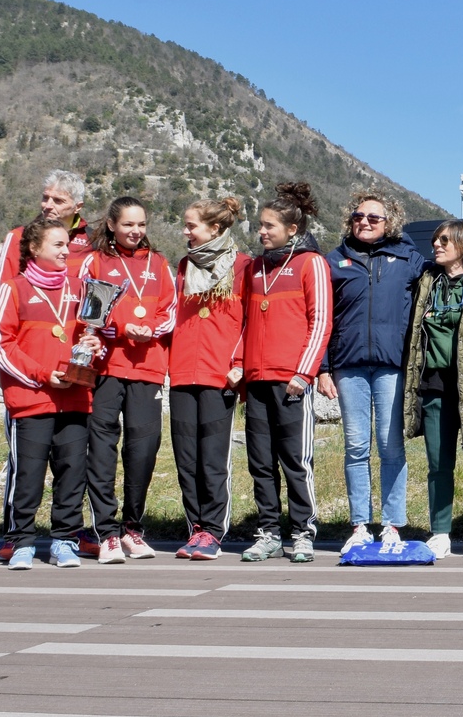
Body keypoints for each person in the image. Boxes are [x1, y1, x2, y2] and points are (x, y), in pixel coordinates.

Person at [0, 169, 91, 563]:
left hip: (74, 397)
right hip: (32, 397)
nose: (67, 252)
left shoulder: (80, 290)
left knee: (72, 472)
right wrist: (40, 374)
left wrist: (92, 345)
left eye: (68, 244)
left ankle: (65, 539)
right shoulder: (14, 289)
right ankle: (21, 541)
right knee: (28, 474)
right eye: (58, 245)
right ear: (33, 248)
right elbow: (1, 342)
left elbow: (90, 335)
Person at [321, 191, 425, 551]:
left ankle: (392, 524)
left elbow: (442, 280)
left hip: (391, 364)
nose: (363, 222)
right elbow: (323, 317)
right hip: (348, 364)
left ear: (389, 223)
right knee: (356, 446)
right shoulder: (333, 260)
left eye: (373, 217)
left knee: (390, 445)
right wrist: (323, 368)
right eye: (358, 216)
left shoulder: (409, 259)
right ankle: (360, 525)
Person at [76, 197, 176, 562]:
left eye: (141, 224)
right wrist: (121, 326)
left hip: (148, 366)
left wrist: (149, 328)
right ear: (112, 225)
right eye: (128, 224)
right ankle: (106, 532)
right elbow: (87, 312)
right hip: (106, 367)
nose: (136, 231)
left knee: (143, 450)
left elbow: (170, 311)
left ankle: (133, 529)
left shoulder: (159, 263)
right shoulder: (96, 261)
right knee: (101, 449)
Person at [240, 183, 331, 563]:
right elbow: (244, 322)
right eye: (260, 225)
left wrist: (304, 373)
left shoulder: (311, 263)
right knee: (260, 462)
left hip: (291, 380)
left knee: (295, 460)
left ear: (291, 229)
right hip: (256, 380)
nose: (261, 231)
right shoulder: (254, 267)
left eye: (269, 226)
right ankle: (268, 533)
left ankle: (303, 532)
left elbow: (320, 321)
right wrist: (239, 366)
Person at [402, 220, 463, 559]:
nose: (437, 245)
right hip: (434, 384)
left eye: (445, 240)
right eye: (435, 240)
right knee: (438, 463)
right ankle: (440, 532)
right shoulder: (427, 280)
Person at [167, 197, 249, 561]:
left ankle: (213, 531)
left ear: (215, 228)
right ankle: (195, 528)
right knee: (187, 458)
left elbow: (249, 322)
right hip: (183, 371)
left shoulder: (243, 266)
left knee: (212, 459)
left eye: (191, 226)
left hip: (220, 375)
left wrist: (240, 362)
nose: (185, 231)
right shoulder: (185, 265)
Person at [0, 170, 92, 286]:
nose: (48, 206)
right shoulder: (19, 237)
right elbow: (2, 286)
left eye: (58, 201)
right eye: (45, 198)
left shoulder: (93, 241)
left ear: (78, 207)